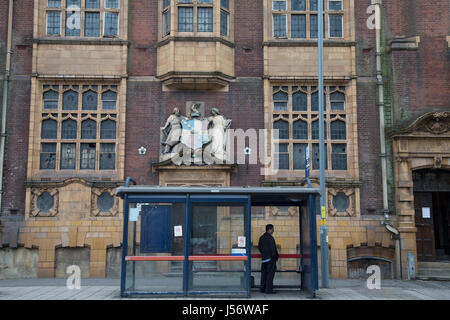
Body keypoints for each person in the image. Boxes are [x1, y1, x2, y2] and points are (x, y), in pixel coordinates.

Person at [258, 224, 279, 294]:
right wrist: (275, 257)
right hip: (270, 259)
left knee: (264, 274)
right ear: (269, 229)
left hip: (264, 259)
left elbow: (259, 248)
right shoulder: (270, 238)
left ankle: (262, 289)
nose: (273, 230)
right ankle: (269, 290)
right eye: (273, 229)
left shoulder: (261, 237)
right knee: (270, 275)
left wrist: (264, 254)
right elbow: (273, 249)